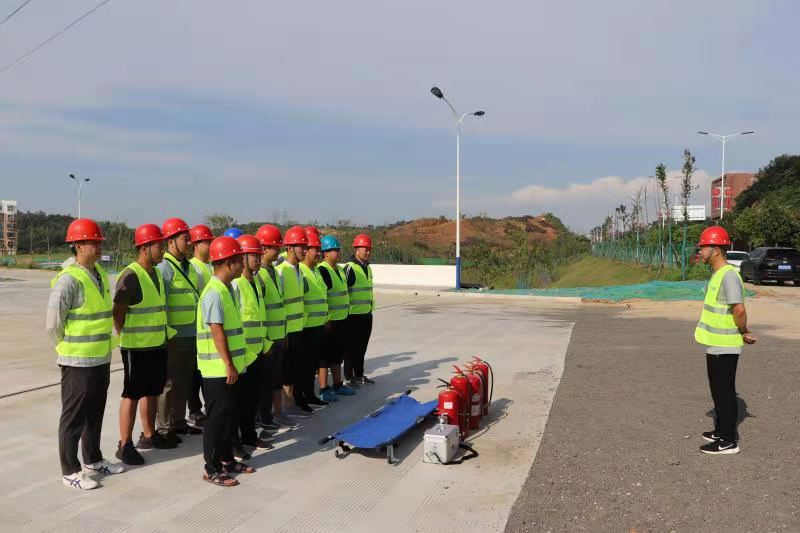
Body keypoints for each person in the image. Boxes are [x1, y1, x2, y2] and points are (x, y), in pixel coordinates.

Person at [46, 219, 124, 489]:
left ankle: (93, 459)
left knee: (95, 412)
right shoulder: (69, 279)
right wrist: (67, 348)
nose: (98, 245)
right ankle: (70, 471)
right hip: (77, 360)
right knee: (74, 416)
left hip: (100, 357)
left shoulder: (99, 273)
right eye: (94, 241)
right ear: (78, 245)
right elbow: (53, 323)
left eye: (99, 241)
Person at [113, 224, 176, 466]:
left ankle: (149, 435)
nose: (162, 250)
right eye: (159, 245)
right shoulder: (131, 275)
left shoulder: (157, 273)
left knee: (152, 390)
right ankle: (124, 444)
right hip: (136, 348)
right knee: (132, 394)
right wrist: (125, 336)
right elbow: (118, 311)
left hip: (156, 345)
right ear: (145, 247)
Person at [196, 236, 254, 487]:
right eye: (239, 260)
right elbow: (217, 331)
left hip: (231, 368)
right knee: (217, 419)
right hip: (217, 369)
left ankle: (227, 460)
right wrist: (229, 364)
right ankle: (211, 467)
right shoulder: (213, 293)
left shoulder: (227, 289)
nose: (243, 265)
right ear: (228, 262)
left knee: (231, 417)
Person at [694, 226, 756, 455]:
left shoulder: (729, 275)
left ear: (717, 250)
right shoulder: (718, 274)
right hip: (716, 343)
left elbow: (739, 309)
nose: (700, 251)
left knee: (724, 392)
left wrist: (744, 331)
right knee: (718, 391)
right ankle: (720, 431)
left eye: (703, 247)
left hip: (726, 344)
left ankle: (728, 441)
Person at [156, 218, 202, 444]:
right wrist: (167, 333)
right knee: (169, 384)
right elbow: (162, 304)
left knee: (184, 381)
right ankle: (164, 428)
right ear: (171, 241)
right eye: (185, 239)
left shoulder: (190, 267)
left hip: (191, 333)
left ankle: (179, 423)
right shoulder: (164, 268)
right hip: (174, 336)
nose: (189, 242)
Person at [231, 235, 275, 459]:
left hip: (258, 352)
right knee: (238, 403)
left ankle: (249, 436)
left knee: (251, 401)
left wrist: (265, 345)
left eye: (259, 255)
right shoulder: (236, 285)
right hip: (241, 356)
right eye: (253, 256)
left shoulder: (256, 283)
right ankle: (235, 442)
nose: (258, 260)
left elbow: (259, 317)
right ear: (242, 257)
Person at [255, 224, 298, 430]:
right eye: (274, 247)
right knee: (266, 383)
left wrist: (284, 331)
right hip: (267, 339)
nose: (278, 250)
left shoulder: (274, 273)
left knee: (277, 379)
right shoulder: (259, 277)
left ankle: (276, 414)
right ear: (263, 248)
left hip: (279, 335)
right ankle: (264, 417)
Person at [275, 226, 312, 417]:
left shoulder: (299, 270)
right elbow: (279, 304)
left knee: (296, 369)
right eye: (301, 247)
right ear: (289, 248)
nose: (305, 250)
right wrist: (284, 331)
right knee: (286, 373)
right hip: (287, 331)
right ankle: (285, 409)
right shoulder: (280, 272)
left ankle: (292, 405)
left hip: (299, 328)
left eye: (305, 247)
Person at [317, 235, 356, 401]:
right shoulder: (322, 270)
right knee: (324, 358)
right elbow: (322, 297)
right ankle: (324, 388)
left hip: (342, 320)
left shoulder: (339, 270)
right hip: (329, 322)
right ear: (325, 253)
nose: (338, 253)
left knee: (337, 355)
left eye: (338, 250)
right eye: (334, 250)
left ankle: (338, 384)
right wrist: (326, 318)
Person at [187, 223, 215, 428]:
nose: (210, 244)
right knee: (194, 375)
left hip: (210, 328)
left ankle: (207, 407)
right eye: (206, 241)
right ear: (196, 244)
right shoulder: (193, 267)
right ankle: (194, 410)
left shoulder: (212, 266)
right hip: (198, 329)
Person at [299, 231, 330, 407]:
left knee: (312, 366)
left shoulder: (316, 271)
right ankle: (302, 397)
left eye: (319, 250)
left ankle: (310, 394)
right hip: (306, 327)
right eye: (314, 249)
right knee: (303, 367)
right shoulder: (301, 271)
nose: (318, 253)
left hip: (318, 326)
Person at [343, 233, 376, 386]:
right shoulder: (350, 268)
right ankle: (349, 377)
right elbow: (344, 291)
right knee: (350, 349)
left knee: (362, 347)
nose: (367, 252)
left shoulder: (367, 268)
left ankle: (359, 374)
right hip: (352, 316)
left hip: (366, 314)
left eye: (369, 249)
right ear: (356, 249)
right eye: (364, 248)